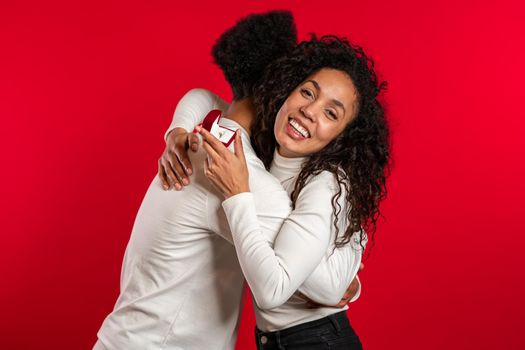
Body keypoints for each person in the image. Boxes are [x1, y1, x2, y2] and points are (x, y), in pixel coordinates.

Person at [94, 12, 361, 350]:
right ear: (280, 87)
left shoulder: (201, 140)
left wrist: (176, 127)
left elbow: (203, 96)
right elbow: (325, 286)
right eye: (303, 91)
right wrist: (350, 272)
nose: (306, 109)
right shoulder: (238, 175)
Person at [166, 35, 389, 349]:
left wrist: (237, 195)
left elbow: (273, 292)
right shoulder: (269, 156)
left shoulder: (327, 183)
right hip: (281, 341)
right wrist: (176, 131)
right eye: (307, 92)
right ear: (287, 91)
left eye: (331, 114)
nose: (311, 110)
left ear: (342, 136)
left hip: (317, 340)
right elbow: (205, 98)